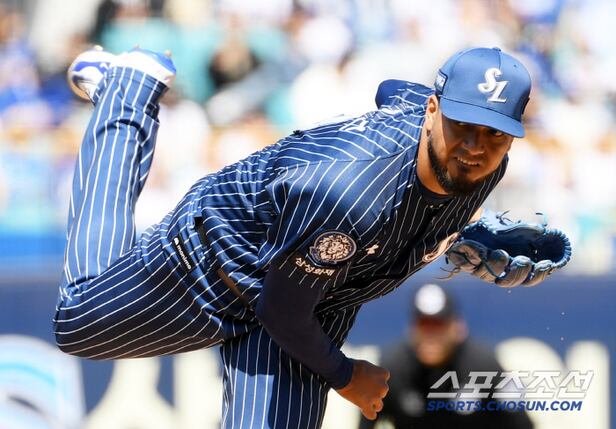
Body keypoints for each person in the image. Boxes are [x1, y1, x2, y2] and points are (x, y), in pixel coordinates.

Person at [54, 45, 548, 429]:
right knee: (76, 323)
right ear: (434, 110)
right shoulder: (350, 195)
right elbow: (280, 311)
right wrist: (346, 376)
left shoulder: (483, 164)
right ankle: (128, 88)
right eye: (463, 125)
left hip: (312, 300)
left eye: (494, 133)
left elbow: (394, 90)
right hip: (217, 262)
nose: (475, 146)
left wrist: (458, 232)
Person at [358, 283, 534, 429]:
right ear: (412, 328)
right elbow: (365, 424)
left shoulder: (485, 365)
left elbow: (522, 424)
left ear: (457, 326)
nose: (431, 335)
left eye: (439, 325)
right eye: (424, 324)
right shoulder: (391, 369)